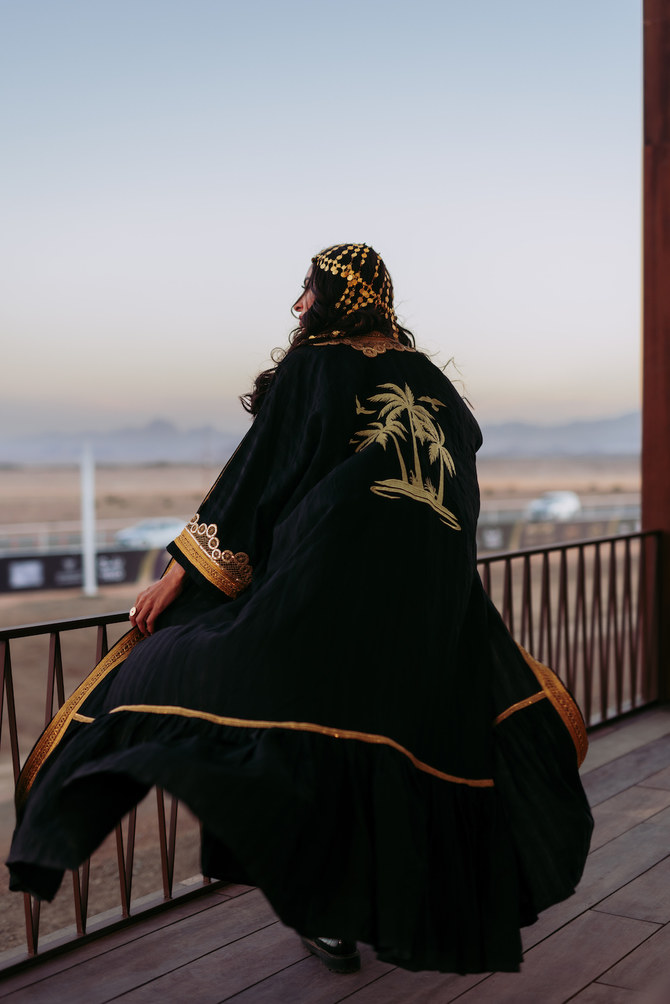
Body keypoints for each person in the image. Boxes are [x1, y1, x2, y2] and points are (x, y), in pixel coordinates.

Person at [7, 243, 593, 975]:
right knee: (391, 744)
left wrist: (179, 574)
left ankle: (329, 912)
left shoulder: (314, 366)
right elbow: (459, 473)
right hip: (425, 605)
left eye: (308, 291)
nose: (298, 306)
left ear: (335, 298)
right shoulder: (430, 378)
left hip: (330, 590)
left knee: (291, 726)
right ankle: (373, 905)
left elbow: (257, 478)